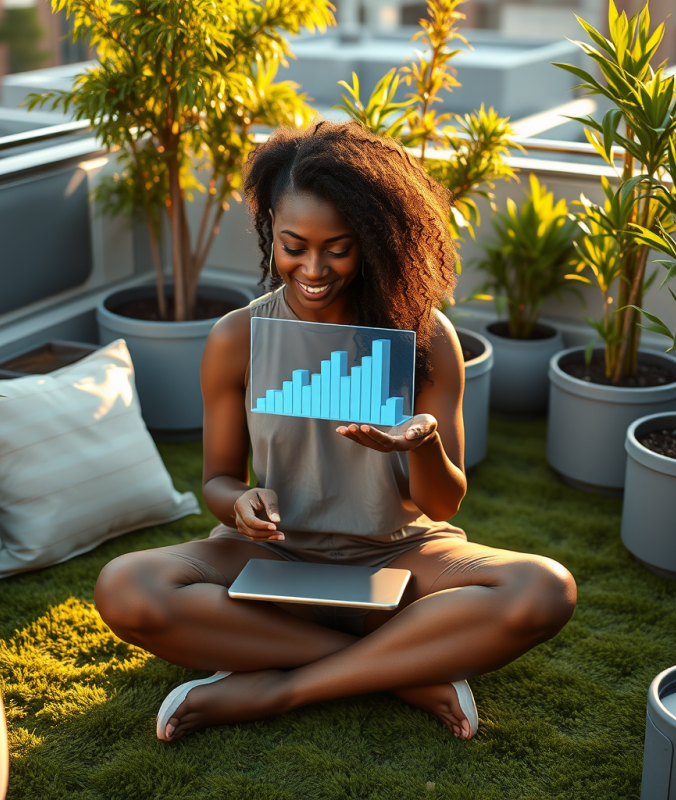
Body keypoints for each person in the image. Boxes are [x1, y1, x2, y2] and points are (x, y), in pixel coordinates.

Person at [94, 120, 577, 744]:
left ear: (375, 242)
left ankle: (281, 685)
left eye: (338, 248)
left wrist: (422, 441)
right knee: (127, 588)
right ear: (270, 231)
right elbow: (217, 480)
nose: (313, 268)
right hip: (276, 552)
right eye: (294, 245)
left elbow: (442, 504)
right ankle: (401, 669)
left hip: (401, 553)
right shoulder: (236, 338)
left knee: (543, 589)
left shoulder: (425, 340)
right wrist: (239, 504)